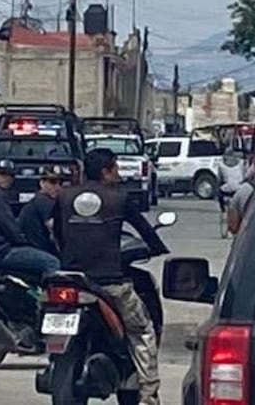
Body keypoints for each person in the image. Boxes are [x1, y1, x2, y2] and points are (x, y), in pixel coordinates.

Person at [52, 148, 169, 405]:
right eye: (115, 168)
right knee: (142, 331)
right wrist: (158, 246)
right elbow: (142, 228)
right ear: (106, 171)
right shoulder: (119, 197)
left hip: (70, 278)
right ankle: (148, 396)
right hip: (109, 283)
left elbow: (59, 234)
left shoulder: (64, 196)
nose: (118, 173)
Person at [0, 159, 60, 279]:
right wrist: (24, 241)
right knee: (52, 262)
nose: (7, 178)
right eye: (2, 174)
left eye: (10, 175)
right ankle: (46, 297)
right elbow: (9, 227)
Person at [17, 165, 63, 258]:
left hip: (32, 249)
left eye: (60, 183)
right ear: (42, 183)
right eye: (52, 182)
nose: (57, 187)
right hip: (38, 251)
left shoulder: (38, 200)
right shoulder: (44, 201)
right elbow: (53, 228)